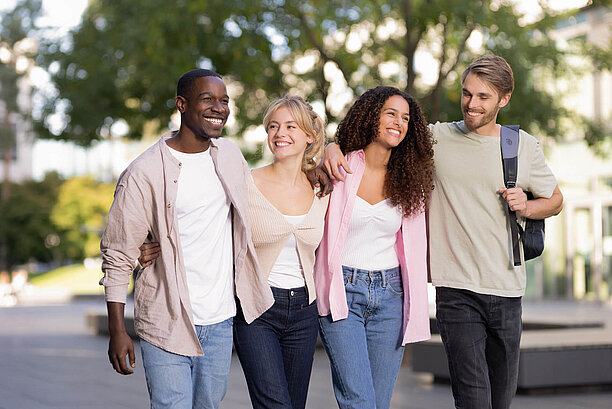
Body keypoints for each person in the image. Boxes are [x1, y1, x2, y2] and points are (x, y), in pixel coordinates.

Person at [323, 56, 564, 409]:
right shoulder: (437, 138)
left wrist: (527, 207)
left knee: (501, 399)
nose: (471, 104)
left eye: (483, 96)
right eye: (467, 94)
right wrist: (334, 146)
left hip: (507, 289)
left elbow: (555, 200)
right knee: (472, 397)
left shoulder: (521, 146)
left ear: (504, 99)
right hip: (456, 291)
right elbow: (383, 134)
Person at [100, 69, 271, 409]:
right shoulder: (144, 172)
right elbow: (118, 255)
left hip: (220, 319)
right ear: (182, 104)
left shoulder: (230, 155)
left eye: (224, 101)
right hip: (166, 317)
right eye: (208, 99)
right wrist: (117, 330)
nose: (219, 108)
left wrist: (318, 164)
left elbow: (265, 194)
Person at [314, 86, 434, 409]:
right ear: (371, 117)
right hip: (344, 290)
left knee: (378, 403)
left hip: (390, 296)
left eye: (406, 118)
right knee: (359, 401)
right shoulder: (340, 167)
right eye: (391, 114)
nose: (399, 122)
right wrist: (328, 146)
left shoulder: (409, 180)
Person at [232, 95, 328, 409]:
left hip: (304, 311)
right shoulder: (246, 183)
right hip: (257, 308)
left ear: (309, 136)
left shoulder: (321, 188)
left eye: (289, 126)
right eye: (273, 126)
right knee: (275, 404)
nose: (279, 133)